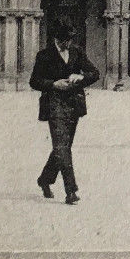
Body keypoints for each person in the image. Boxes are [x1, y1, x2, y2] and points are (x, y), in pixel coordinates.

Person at [30, 20, 101, 204]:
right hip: (54, 104)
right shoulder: (44, 55)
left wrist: (81, 77)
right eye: (64, 41)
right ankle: (71, 191)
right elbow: (34, 81)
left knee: (62, 147)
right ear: (56, 39)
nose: (67, 44)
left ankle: (44, 180)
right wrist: (53, 84)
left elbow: (95, 73)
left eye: (69, 40)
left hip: (74, 105)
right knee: (62, 147)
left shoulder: (77, 52)